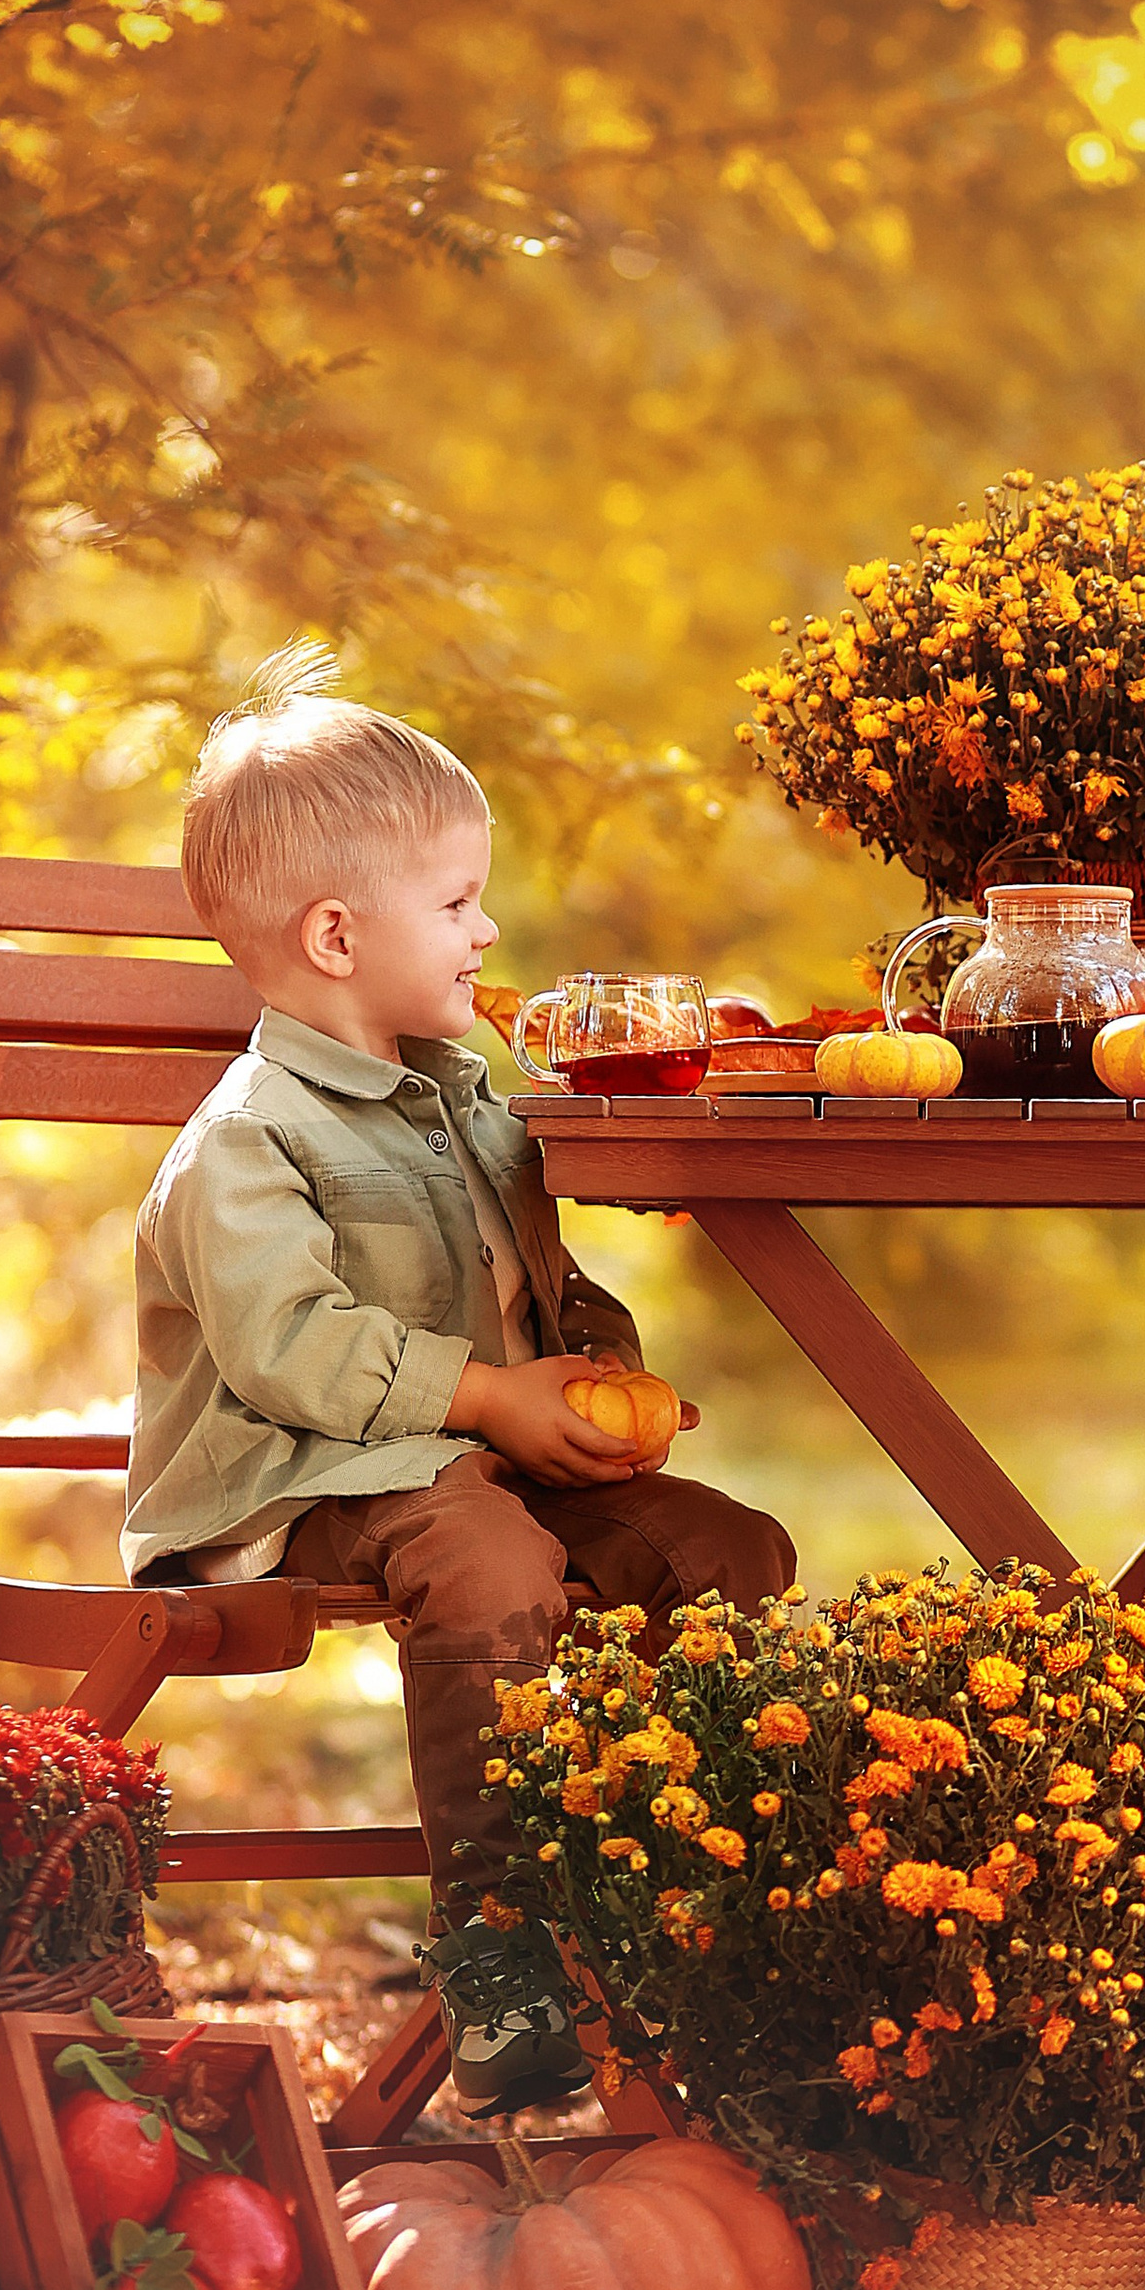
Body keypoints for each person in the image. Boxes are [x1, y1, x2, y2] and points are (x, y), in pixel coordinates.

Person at [125, 652, 794, 2110]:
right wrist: (488, 1402)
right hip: (302, 1480)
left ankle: (674, 1899)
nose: (489, 929)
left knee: (726, 1551)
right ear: (335, 934)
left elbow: (532, 1277)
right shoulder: (246, 1142)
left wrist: (600, 1365)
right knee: (486, 1561)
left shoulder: (475, 1098)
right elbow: (287, 1349)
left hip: (483, 1465)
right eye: (456, 904)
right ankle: (498, 1954)